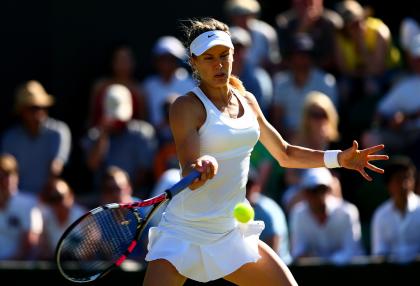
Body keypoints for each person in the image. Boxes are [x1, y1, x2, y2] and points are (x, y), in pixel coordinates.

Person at [143, 17, 388, 286]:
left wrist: (338, 158)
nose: (219, 64)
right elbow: (189, 167)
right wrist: (200, 169)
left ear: (234, 55)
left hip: (230, 231)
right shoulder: (185, 107)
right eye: (209, 58)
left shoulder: (247, 100)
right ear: (194, 62)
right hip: (184, 231)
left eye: (224, 55)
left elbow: (284, 153)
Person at [0, 80, 72, 194]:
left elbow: (56, 168)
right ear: (22, 111)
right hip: (17, 197)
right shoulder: (10, 137)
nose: (38, 112)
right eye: (32, 108)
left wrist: (42, 199)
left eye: (41, 107)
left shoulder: (59, 131)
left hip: (48, 198)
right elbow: (6, 171)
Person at [289, 167, 364, 265]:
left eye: (321, 189)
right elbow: (298, 251)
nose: (317, 195)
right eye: (311, 190)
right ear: (304, 192)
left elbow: (351, 251)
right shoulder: (298, 214)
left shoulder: (348, 212)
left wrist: (324, 263)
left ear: (329, 190)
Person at [371, 156, 420, 263]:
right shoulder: (380, 214)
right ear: (389, 185)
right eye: (399, 179)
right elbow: (380, 253)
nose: (405, 184)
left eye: (407, 178)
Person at [0, 153, 43, 260]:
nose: (4, 180)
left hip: (20, 269)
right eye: (1, 175)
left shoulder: (30, 203)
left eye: (8, 174)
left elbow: (30, 242)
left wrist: (7, 265)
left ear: (16, 176)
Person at [38, 177, 86, 260]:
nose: (57, 202)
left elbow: (89, 251)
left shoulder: (84, 217)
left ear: (70, 196)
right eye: (52, 198)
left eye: (59, 197)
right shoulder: (44, 218)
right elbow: (43, 251)